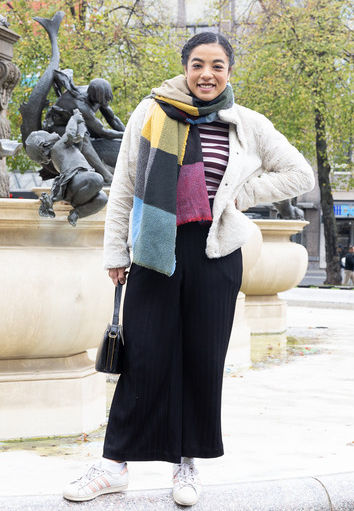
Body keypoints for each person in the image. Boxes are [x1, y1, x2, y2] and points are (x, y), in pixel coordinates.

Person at [63, 32, 315, 506]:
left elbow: (300, 173)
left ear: (229, 72)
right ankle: (114, 465)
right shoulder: (152, 111)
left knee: (202, 359)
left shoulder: (246, 123)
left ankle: (187, 464)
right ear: (185, 68)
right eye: (198, 64)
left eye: (217, 66)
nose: (207, 74)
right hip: (156, 250)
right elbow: (124, 187)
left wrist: (243, 195)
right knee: (143, 356)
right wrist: (115, 253)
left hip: (215, 253)